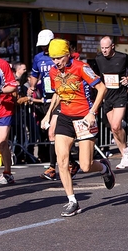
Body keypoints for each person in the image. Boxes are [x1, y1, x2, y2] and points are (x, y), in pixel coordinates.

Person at [41, 38, 113, 217]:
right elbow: (58, 93)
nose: (56, 62)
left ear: (67, 55)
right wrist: (48, 114)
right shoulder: (53, 72)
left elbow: (102, 88)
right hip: (65, 118)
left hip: (84, 117)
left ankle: (104, 167)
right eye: (53, 58)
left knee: (86, 166)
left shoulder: (81, 67)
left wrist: (92, 112)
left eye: (59, 58)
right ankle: (72, 201)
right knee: (62, 160)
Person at [30, 29, 80, 180]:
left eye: (47, 45)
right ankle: (71, 162)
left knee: (52, 133)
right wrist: (32, 87)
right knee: (53, 135)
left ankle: (52, 168)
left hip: (62, 97)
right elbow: (34, 76)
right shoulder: (38, 58)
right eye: (42, 46)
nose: (44, 49)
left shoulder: (69, 58)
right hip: (48, 99)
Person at [95, 36, 128, 169]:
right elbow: (95, 76)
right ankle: (125, 154)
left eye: (106, 47)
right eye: (102, 48)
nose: (104, 50)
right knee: (113, 128)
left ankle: (126, 153)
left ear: (112, 46)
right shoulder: (98, 59)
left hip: (120, 95)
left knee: (117, 126)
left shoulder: (123, 57)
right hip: (107, 96)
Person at [0, 40, 18, 185]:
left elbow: (13, 85)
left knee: (1, 142)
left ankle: (7, 173)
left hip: (3, 108)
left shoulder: (1, 65)